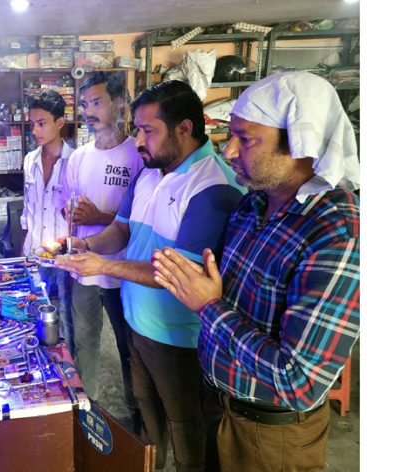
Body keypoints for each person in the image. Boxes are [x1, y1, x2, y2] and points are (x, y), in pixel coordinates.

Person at [151, 71, 360, 472]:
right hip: (218, 404)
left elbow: (300, 382)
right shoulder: (252, 207)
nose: (228, 151)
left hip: (272, 436)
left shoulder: (337, 233)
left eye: (245, 139)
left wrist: (208, 306)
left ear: (301, 142)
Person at [57, 79, 246, 471]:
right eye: (138, 129)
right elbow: (121, 231)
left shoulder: (213, 186)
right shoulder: (148, 173)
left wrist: (105, 267)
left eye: (148, 130)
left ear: (184, 129)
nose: (139, 140)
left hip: (180, 340)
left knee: (189, 431)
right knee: (149, 421)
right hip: (137, 327)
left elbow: (180, 274)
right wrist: (85, 247)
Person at [60, 71, 143, 431]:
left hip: (123, 270)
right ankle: (87, 411)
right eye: (85, 105)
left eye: (97, 103)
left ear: (119, 103)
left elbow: (137, 220)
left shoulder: (137, 156)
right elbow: (69, 206)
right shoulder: (79, 156)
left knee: (129, 350)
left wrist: (99, 216)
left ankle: (137, 416)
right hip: (85, 268)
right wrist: (72, 216)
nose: (89, 111)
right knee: (85, 342)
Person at [20, 89, 75, 353]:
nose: (35, 130)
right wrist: (25, 246)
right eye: (33, 124)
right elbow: (27, 209)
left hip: (65, 257)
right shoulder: (30, 160)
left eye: (42, 124)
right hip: (34, 254)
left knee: (66, 318)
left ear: (60, 123)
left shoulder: (75, 161)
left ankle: (69, 371)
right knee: (35, 313)